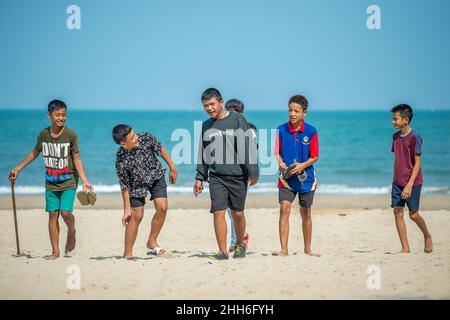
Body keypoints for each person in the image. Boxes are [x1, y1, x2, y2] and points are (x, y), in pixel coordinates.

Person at [9, 99, 93, 260]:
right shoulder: (43, 134)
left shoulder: (71, 135)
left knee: (65, 213)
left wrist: (84, 180)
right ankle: (55, 251)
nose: (61, 118)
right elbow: (34, 153)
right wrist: (18, 168)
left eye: (64, 115)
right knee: (53, 215)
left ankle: (71, 231)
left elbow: (77, 159)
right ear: (49, 115)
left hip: (69, 181)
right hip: (51, 182)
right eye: (57, 115)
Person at [193, 88, 259, 260]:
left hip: (238, 175)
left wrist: (253, 171)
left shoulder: (238, 120)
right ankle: (222, 251)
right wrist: (200, 176)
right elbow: (203, 152)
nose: (209, 108)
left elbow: (248, 146)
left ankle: (239, 244)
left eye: (212, 104)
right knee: (218, 212)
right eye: (205, 106)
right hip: (216, 176)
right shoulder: (206, 125)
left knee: (237, 213)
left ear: (221, 102)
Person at [113, 124, 177, 259]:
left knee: (162, 208)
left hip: (155, 176)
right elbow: (124, 186)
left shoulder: (146, 137)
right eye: (132, 138)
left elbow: (161, 150)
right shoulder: (121, 159)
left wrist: (172, 167)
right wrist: (126, 210)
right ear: (124, 144)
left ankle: (151, 241)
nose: (137, 138)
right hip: (136, 185)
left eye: (135, 134)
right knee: (137, 216)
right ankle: (128, 253)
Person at [273, 94, 320, 257]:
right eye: (290, 110)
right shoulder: (280, 129)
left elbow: (315, 156)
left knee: (306, 212)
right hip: (286, 179)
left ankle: (307, 249)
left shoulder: (311, 131)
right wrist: (279, 162)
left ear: (304, 112)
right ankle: (284, 249)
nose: (292, 114)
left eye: (296, 111)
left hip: (306, 179)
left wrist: (302, 166)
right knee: (284, 208)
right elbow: (276, 152)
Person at [390, 104, 432, 253]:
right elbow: (399, 159)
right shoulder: (395, 137)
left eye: (395, 119)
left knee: (413, 215)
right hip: (397, 182)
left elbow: (417, 163)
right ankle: (405, 248)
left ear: (406, 120)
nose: (393, 122)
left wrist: (409, 185)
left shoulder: (415, 137)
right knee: (397, 211)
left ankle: (427, 236)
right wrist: (397, 180)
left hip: (413, 182)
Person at [224, 99, 255, 252]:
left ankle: (238, 240)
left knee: (235, 209)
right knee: (229, 209)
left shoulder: (250, 128)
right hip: (226, 173)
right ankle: (238, 238)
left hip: (243, 174)